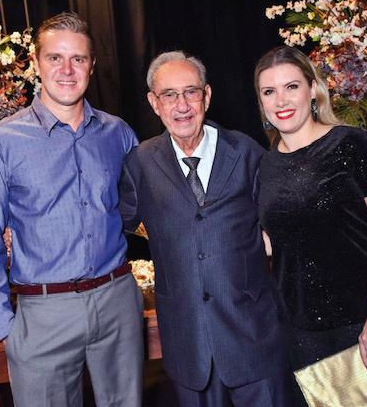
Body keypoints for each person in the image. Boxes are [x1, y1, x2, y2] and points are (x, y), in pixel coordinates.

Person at [0, 12, 143, 407]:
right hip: (42, 314)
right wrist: (7, 327)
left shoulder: (118, 133)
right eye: (54, 58)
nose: (67, 69)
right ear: (35, 63)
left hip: (117, 301)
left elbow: (130, 207)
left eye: (78, 59)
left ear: (92, 67)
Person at [119, 51, 294, 407]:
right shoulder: (139, 163)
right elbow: (112, 226)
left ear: (207, 96)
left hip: (254, 338)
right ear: (154, 103)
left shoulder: (247, 152)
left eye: (191, 92)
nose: (181, 105)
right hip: (187, 344)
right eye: (169, 94)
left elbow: (283, 223)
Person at [254, 45, 367, 405]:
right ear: (262, 102)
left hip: (363, 324)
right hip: (302, 329)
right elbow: (273, 241)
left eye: (291, 86)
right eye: (269, 91)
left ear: (313, 90)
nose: (281, 99)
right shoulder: (266, 165)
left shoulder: (349, 144)